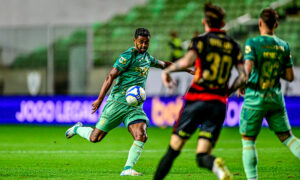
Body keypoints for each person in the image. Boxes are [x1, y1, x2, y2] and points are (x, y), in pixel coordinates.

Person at [65, 28, 193, 176]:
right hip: (117, 103)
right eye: (141, 42)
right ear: (134, 41)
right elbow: (110, 76)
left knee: (141, 135)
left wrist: (186, 69)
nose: (144, 45)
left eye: (146, 42)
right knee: (95, 137)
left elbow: (164, 64)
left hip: (134, 107)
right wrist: (100, 99)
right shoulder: (127, 56)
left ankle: (127, 169)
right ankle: (76, 129)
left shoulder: (147, 58)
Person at [154, 3, 246, 180]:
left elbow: (186, 61)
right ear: (223, 23)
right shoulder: (233, 46)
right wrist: (229, 91)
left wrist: (166, 71)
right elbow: (243, 77)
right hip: (218, 104)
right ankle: (217, 168)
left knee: (173, 151)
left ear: (205, 22)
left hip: (197, 100)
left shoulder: (200, 41)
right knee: (202, 155)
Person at [237, 8, 300, 180]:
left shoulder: (253, 42)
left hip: (255, 98)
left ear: (259, 23)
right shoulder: (283, 45)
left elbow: (247, 71)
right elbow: (290, 76)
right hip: (275, 98)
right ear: (276, 24)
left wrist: (241, 84)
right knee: (288, 138)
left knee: (248, 140)